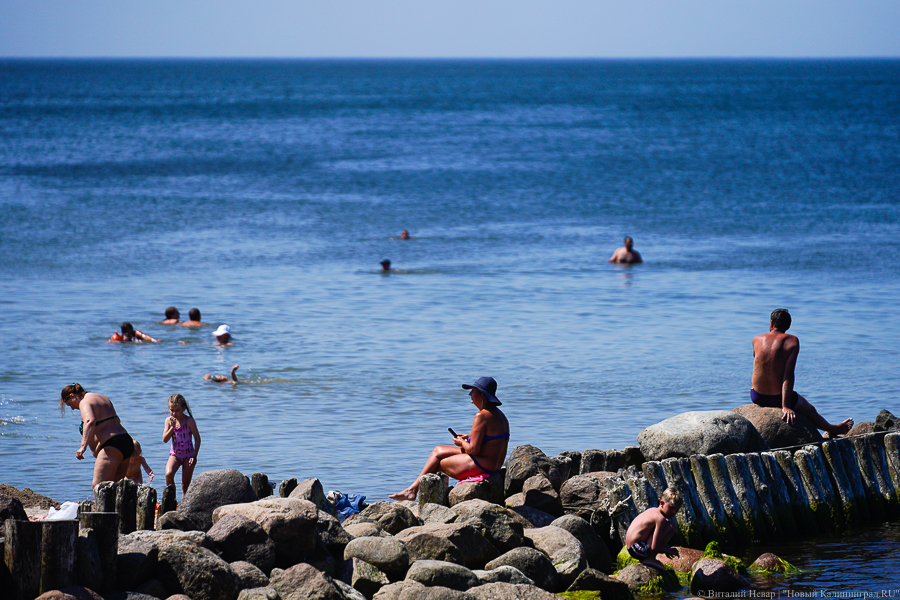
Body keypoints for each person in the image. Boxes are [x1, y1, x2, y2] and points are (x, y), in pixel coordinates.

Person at [389, 376, 510, 501]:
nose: (470, 394)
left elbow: (473, 449)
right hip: (493, 464)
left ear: (483, 396)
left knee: (438, 464)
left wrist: (461, 442)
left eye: (473, 391)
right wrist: (468, 437)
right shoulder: (500, 415)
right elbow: (490, 440)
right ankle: (412, 490)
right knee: (438, 450)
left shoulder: (481, 416)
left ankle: (422, 498)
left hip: (483, 464)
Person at [751, 308, 853, 435]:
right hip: (776, 399)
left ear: (771, 323)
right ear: (788, 326)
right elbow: (788, 375)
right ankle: (832, 429)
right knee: (810, 409)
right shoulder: (792, 341)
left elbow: (760, 365)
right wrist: (785, 406)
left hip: (756, 396)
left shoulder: (756, 339)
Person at [59, 383, 134, 489]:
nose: (72, 408)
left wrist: (83, 447)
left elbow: (89, 421)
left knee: (99, 487)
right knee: (116, 489)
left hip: (112, 446)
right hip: (125, 441)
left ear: (72, 396)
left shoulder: (85, 401)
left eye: (69, 404)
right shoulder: (102, 398)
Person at [624, 487, 682, 571]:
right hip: (638, 549)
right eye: (671, 508)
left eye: (677, 509)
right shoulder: (660, 519)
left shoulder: (652, 510)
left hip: (631, 548)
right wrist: (669, 550)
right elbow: (655, 547)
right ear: (662, 503)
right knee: (671, 526)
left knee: (666, 525)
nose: (674, 512)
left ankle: (648, 557)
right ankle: (650, 558)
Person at [162, 393, 201, 496]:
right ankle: (172, 500)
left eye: (177, 410)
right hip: (175, 454)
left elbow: (197, 438)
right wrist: (172, 427)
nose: (174, 413)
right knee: (168, 474)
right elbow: (165, 439)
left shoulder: (189, 421)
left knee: (185, 484)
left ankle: (184, 505)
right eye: (171, 410)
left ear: (183, 408)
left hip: (189, 455)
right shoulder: (168, 421)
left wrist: (194, 455)